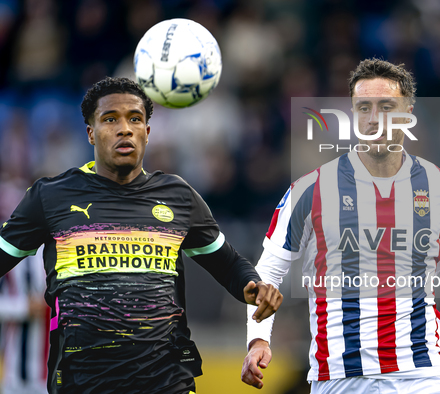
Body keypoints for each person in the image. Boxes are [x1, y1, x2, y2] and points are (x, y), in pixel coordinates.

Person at [241, 59, 440, 393]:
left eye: (386, 107)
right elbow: (268, 271)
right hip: (341, 377)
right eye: (364, 108)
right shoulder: (310, 190)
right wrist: (257, 340)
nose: (374, 119)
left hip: (422, 374)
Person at [0, 76, 283, 394]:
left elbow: (229, 265)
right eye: (110, 119)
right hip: (83, 383)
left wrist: (254, 286)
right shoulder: (50, 197)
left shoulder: (179, 196)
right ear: (91, 133)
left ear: (147, 132)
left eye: (135, 119)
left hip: (166, 381)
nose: (125, 128)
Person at [0, 249, 49, 394]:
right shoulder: (5, 247)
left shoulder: (56, 245)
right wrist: (23, 307)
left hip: (48, 371)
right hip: (13, 371)